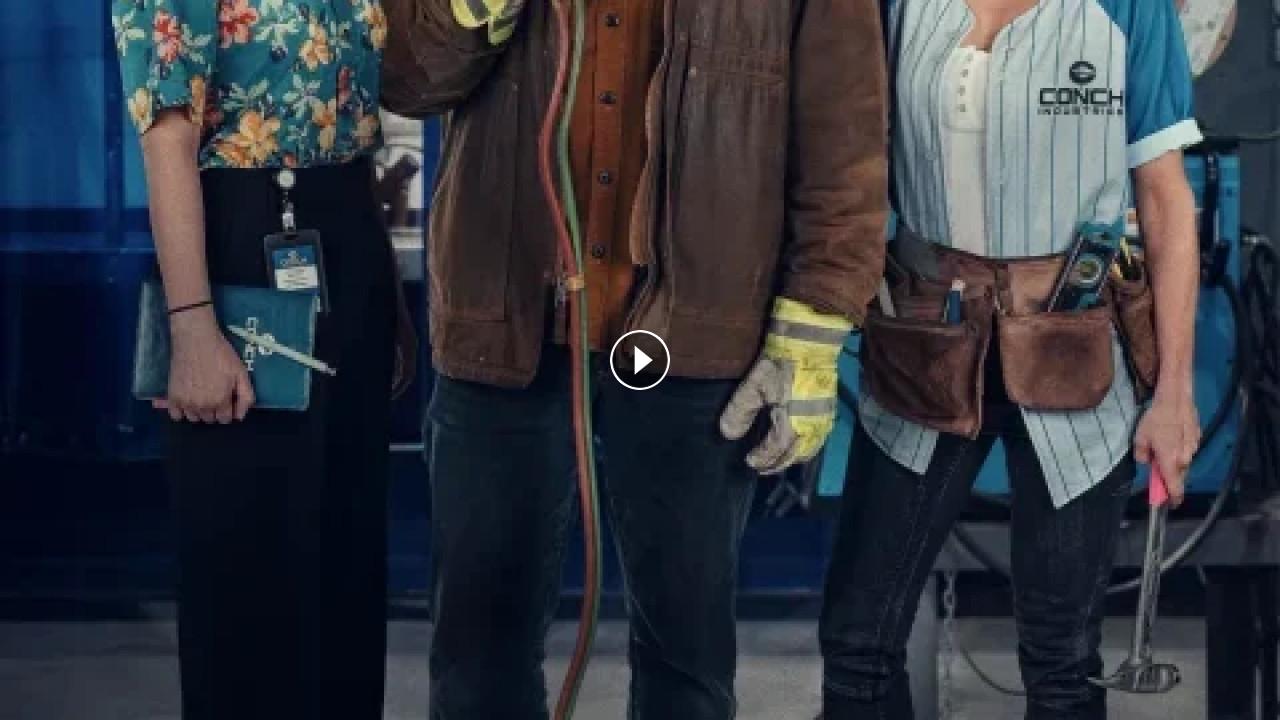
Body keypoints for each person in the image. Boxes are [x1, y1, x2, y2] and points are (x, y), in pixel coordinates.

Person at [381, 1, 888, 717]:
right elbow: (407, 80)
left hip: (696, 330)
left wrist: (814, 324)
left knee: (687, 662)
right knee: (478, 657)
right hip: (505, 323)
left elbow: (846, 140)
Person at [819, 0, 1203, 717]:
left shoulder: (1128, 8)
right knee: (856, 643)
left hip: (1077, 349)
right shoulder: (894, 6)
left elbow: (1165, 197)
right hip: (925, 344)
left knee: (1062, 663)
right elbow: (838, 164)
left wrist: (1174, 392)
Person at [111, 1, 412, 717]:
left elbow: (362, 127)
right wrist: (192, 329)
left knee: (345, 575)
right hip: (237, 250)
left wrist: (388, 296)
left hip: (348, 245)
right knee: (251, 585)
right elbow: (166, 137)